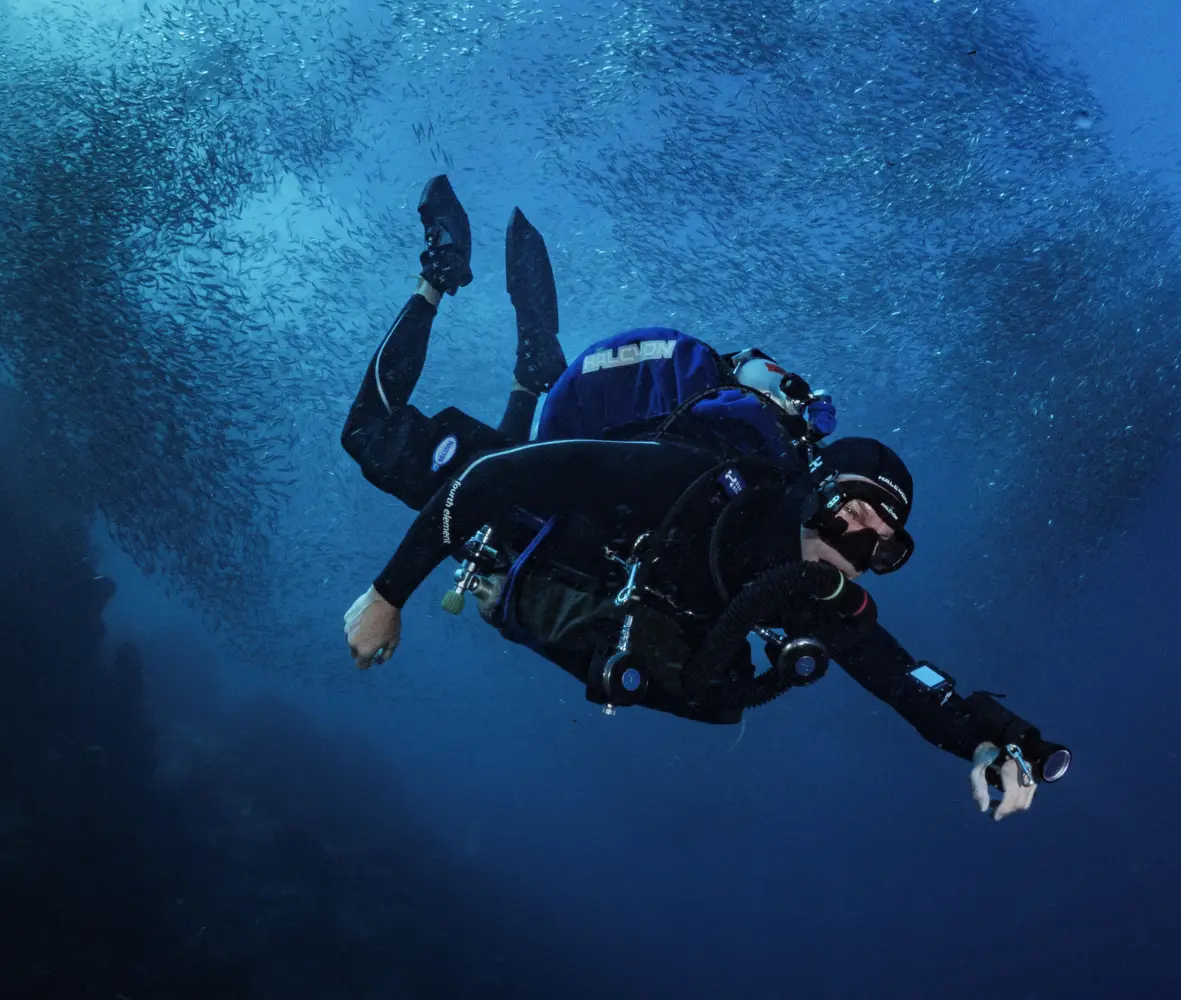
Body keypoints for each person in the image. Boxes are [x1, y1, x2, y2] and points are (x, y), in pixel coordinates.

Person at [340, 176, 1070, 819]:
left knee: (527, 439)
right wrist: (388, 595)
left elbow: (904, 679)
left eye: (880, 546)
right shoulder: (696, 485)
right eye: (849, 515)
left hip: (550, 532)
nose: (853, 549)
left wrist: (992, 739)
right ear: (812, 490)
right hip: (529, 508)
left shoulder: (807, 598)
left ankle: (537, 363)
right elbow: (494, 482)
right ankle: (440, 270)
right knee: (370, 434)